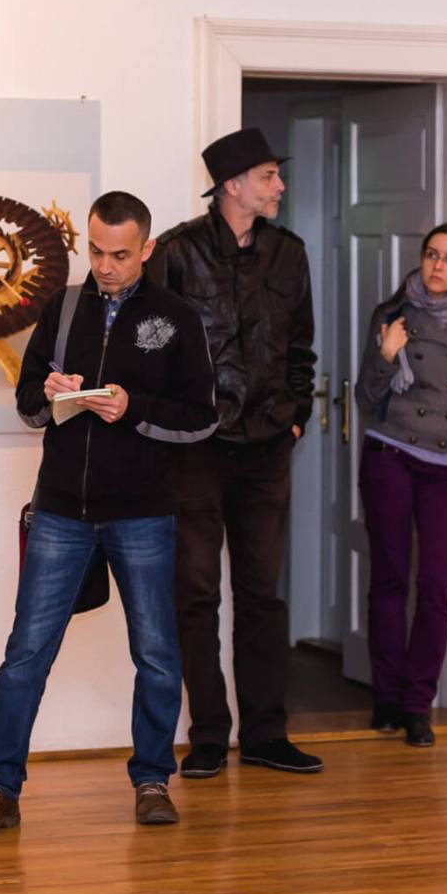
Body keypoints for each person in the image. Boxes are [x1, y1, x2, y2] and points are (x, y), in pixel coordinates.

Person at [0, 191, 217, 839]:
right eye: (96, 251)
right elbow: (26, 404)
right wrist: (49, 395)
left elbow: (202, 419)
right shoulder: (63, 306)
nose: (104, 265)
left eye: (119, 254)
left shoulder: (178, 318)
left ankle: (152, 780)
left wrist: (133, 408)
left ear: (146, 249)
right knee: (25, 654)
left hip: (144, 514)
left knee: (157, 654)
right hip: (60, 512)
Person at [147, 128, 323, 778]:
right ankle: (208, 737)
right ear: (233, 185)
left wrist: (296, 416)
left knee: (261, 596)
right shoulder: (176, 252)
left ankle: (265, 735)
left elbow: (301, 346)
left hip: (268, 447)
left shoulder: (289, 253)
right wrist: (172, 422)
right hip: (196, 451)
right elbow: (150, 345)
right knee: (196, 596)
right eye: (269, 176)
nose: (280, 186)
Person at [354, 224, 447, 747]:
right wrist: (386, 356)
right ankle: (387, 698)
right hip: (391, 452)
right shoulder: (392, 314)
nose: (438, 266)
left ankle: (418, 705)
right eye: (432, 255)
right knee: (390, 579)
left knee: (436, 587)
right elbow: (367, 396)